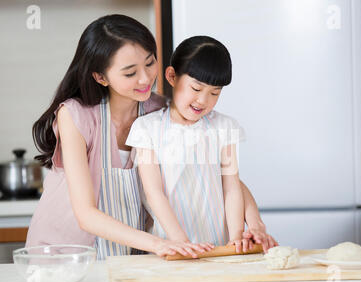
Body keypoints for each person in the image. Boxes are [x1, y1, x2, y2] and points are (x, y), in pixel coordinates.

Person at [25, 14, 274, 260]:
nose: (145, 79)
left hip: (129, 253)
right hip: (66, 253)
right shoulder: (76, 116)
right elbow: (86, 214)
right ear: (101, 76)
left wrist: (254, 222)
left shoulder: (159, 112)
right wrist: (164, 243)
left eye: (149, 62)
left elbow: (218, 175)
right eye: (130, 72)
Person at [126, 36, 278, 254]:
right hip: (171, 247)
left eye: (215, 93)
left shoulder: (224, 127)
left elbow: (232, 186)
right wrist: (181, 241)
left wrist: (235, 238)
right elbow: (154, 193)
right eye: (196, 89)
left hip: (219, 247)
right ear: (172, 76)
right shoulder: (146, 129)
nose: (203, 100)